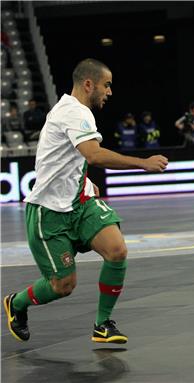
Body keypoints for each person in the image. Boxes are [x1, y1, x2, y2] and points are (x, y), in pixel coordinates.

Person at [3, 58, 168, 344]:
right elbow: (93, 154)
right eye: (107, 85)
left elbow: (75, 159)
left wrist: (84, 182)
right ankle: (16, 303)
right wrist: (143, 163)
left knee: (116, 250)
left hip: (79, 203)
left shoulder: (76, 112)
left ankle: (102, 325)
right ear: (88, 84)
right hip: (48, 212)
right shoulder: (73, 112)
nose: (110, 91)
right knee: (62, 286)